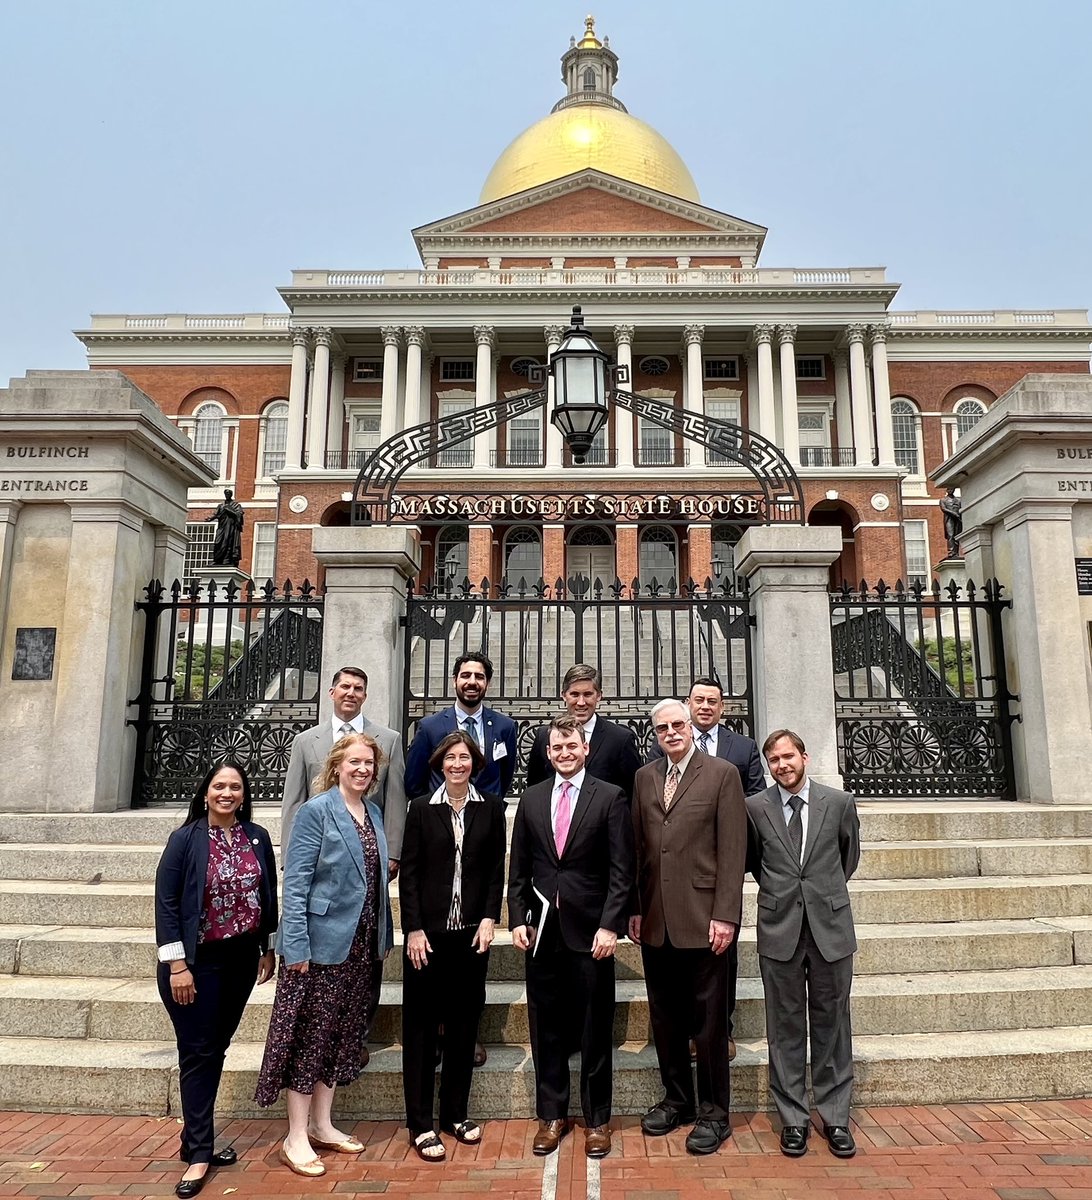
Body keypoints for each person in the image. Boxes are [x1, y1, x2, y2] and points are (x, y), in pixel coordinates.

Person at [255, 733, 393, 1177]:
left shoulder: (371, 812)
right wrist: (294, 945)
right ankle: (295, 1136)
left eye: (369, 763)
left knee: (339, 1035)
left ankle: (322, 1124)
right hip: (316, 949)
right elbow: (294, 884)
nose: (362, 770)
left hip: (358, 948)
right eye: (354, 761)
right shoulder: (315, 812)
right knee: (308, 1038)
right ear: (336, 765)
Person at [507, 715, 634, 1159]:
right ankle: (552, 1115)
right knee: (547, 1029)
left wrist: (610, 925)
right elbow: (519, 867)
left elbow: (622, 870)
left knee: (595, 1027)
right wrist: (518, 918)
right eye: (556, 748)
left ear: (585, 750)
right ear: (548, 753)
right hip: (542, 933)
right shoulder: (532, 798)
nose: (564, 754)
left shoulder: (611, 797)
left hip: (590, 933)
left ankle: (597, 1119)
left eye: (571, 747)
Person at [154, 759, 278, 1198]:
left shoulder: (256, 837)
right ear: (205, 792)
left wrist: (267, 947)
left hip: (241, 959)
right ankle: (200, 1153)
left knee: (216, 1047)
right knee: (198, 1051)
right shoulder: (185, 840)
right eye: (220, 786)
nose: (228, 793)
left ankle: (194, 1138)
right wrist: (178, 966)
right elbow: (167, 905)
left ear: (245, 795)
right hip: (195, 963)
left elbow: (268, 894)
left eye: (236, 787)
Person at [629, 699, 746, 1155]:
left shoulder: (721, 775)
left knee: (710, 1023)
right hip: (656, 920)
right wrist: (635, 909)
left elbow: (733, 851)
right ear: (654, 733)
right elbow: (639, 848)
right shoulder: (644, 777)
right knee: (666, 1019)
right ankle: (677, 1098)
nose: (672, 732)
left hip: (705, 921)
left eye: (679, 724)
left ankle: (715, 1113)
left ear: (691, 726)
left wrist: (726, 915)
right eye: (663, 728)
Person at [746, 729, 861, 1160]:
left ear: (804, 757)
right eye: (774, 760)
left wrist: (819, 895)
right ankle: (793, 1119)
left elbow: (847, 857)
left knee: (833, 1025)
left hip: (830, 929)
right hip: (780, 929)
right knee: (785, 1026)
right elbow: (755, 862)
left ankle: (835, 1117)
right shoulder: (755, 808)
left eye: (788, 757)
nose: (782, 765)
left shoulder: (839, 803)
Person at [399, 731, 506, 1162]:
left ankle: (455, 1114)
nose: (458, 764)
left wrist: (488, 917)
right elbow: (409, 872)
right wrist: (413, 929)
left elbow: (496, 866)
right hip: (429, 936)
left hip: (470, 935)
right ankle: (421, 1123)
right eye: (451, 758)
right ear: (440, 764)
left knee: (464, 1025)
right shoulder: (422, 810)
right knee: (422, 1029)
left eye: (465, 757)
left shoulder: (491, 809)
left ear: (474, 764)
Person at [647, 677, 765, 1060]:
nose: (704, 707)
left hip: (709, 879)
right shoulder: (653, 763)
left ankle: (717, 1035)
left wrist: (726, 909)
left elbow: (749, 812)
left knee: (716, 978)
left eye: (712, 701)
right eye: (698, 700)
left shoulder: (736, 756)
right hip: (665, 897)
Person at [282, 666, 406, 877]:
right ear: (332, 692)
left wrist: (393, 853)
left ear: (364, 697)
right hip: (318, 845)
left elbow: (395, 800)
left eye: (358, 689)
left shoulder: (389, 740)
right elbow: (294, 800)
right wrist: (288, 853)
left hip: (368, 847)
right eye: (345, 686)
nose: (351, 693)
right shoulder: (304, 741)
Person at [404, 653, 518, 799]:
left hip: (487, 816)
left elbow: (506, 776)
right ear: (454, 681)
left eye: (479, 677)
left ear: (487, 683)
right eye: (465, 675)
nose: (472, 682)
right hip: (441, 816)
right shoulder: (429, 727)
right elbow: (413, 783)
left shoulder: (505, 726)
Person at [524, 664, 642, 799]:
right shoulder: (544, 736)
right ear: (564, 695)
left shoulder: (620, 739)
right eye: (574, 694)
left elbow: (633, 793)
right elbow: (534, 788)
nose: (581, 702)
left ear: (599, 696)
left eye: (587, 694)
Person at [204, 489, 244, 567]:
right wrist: (210, 519)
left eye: (228, 494)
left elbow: (239, 514)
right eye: (226, 494)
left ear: (231, 495)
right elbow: (216, 514)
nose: (227, 495)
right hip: (222, 527)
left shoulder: (236, 505)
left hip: (231, 527)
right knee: (218, 542)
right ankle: (217, 559)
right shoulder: (221, 505)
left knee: (229, 542)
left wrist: (230, 510)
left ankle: (227, 560)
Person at [940, 487, 963, 558]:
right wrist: (954, 513)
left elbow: (961, 508)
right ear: (946, 490)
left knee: (957, 535)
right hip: (949, 519)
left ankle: (956, 552)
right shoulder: (943, 500)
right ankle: (951, 552)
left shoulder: (958, 500)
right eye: (949, 489)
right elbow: (943, 509)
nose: (950, 490)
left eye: (952, 489)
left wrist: (959, 515)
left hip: (957, 519)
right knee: (950, 534)